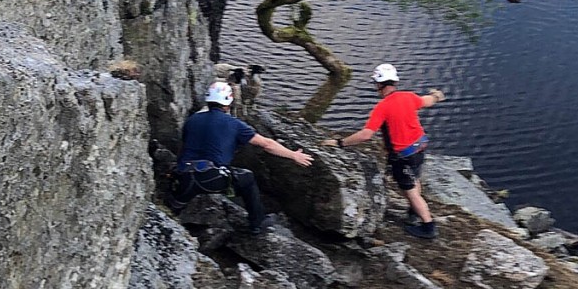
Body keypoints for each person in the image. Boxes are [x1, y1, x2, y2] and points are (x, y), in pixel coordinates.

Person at [169, 80, 313, 234]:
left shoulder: (192, 120)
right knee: (247, 178)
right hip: (210, 178)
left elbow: (184, 147)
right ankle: (257, 223)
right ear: (227, 103)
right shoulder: (234, 124)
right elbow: (267, 144)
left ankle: (175, 207)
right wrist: (293, 155)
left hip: (183, 175)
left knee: (177, 202)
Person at [321, 63, 445, 239]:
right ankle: (413, 210)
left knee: (408, 189)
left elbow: (366, 135)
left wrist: (340, 143)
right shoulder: (408, 96)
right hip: (420, 147)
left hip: (403, 156)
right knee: (414, 178)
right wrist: (436, 96)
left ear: (379, 84)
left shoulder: (383, 107)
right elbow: (427, 101)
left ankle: (428, 226)